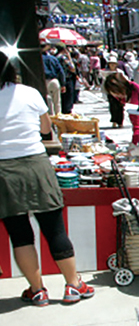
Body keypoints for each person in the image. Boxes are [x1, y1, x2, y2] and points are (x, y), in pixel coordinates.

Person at [0, 52, 94, 306]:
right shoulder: (29, 93)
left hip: (3, 171)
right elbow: (45, 129)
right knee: (54, 229)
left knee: (20, 235)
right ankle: (73, 285)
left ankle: (37, 289)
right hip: (35, 163)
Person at [103, 73, 139, 145]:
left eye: (116, 93)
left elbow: (138, 123)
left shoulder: (136, 94)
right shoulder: (124, 95)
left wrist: (134, 143)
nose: (116, 96)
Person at [100, 54, 127, 129]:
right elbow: (104, 83)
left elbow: (124, 80)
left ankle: (120, 122)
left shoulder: (120, 72)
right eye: (111, 64)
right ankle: (114, 121)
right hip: (111, 92)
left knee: (120, 107)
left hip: (119, 92)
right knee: (113, 107)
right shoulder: (106, 72)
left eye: (113, 64)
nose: (112, 65)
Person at [41, 44, 64, 116]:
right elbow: (61, 72)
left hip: (45, 81)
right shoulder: (53, 58)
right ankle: (58, 117)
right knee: (57, 102)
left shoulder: (39, 59)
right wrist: (63, 84)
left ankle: (51, 119)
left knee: (48, 101)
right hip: (54, 81)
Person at [55, 44, 76, 114]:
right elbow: (72, 68)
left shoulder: (55, 57)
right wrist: (69, 58)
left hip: (58, 79)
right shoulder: (63, 58)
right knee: (68, 99)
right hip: (67, 79)